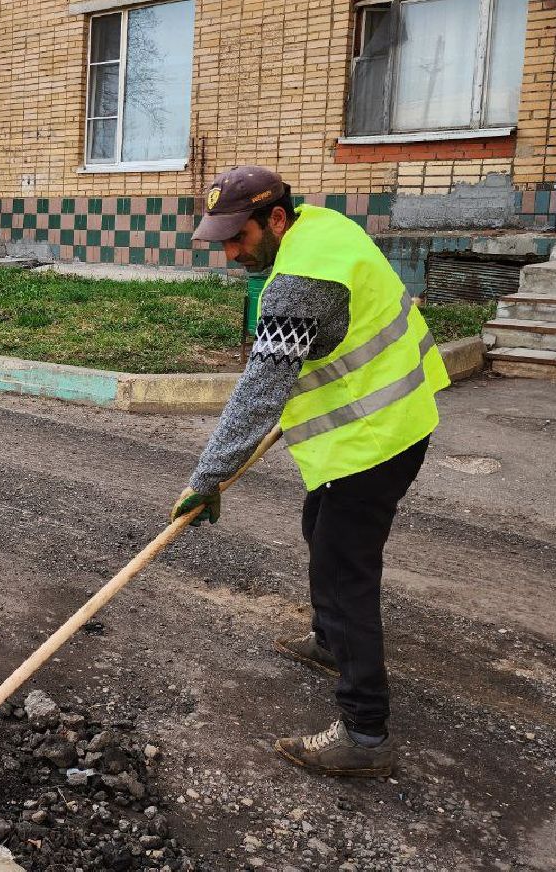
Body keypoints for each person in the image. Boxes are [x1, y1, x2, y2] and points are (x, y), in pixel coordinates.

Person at [172, 165, 448, 778]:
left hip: (374, 440)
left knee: (345, 568)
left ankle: (365, 733)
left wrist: (207, 477)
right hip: (394, 419)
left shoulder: (299, 284)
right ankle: (330, 643)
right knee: (317, 522)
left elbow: (259, 392)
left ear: (274, 219)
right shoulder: (323, 227)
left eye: (236, 237)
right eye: (220, 240)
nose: (229, 253)